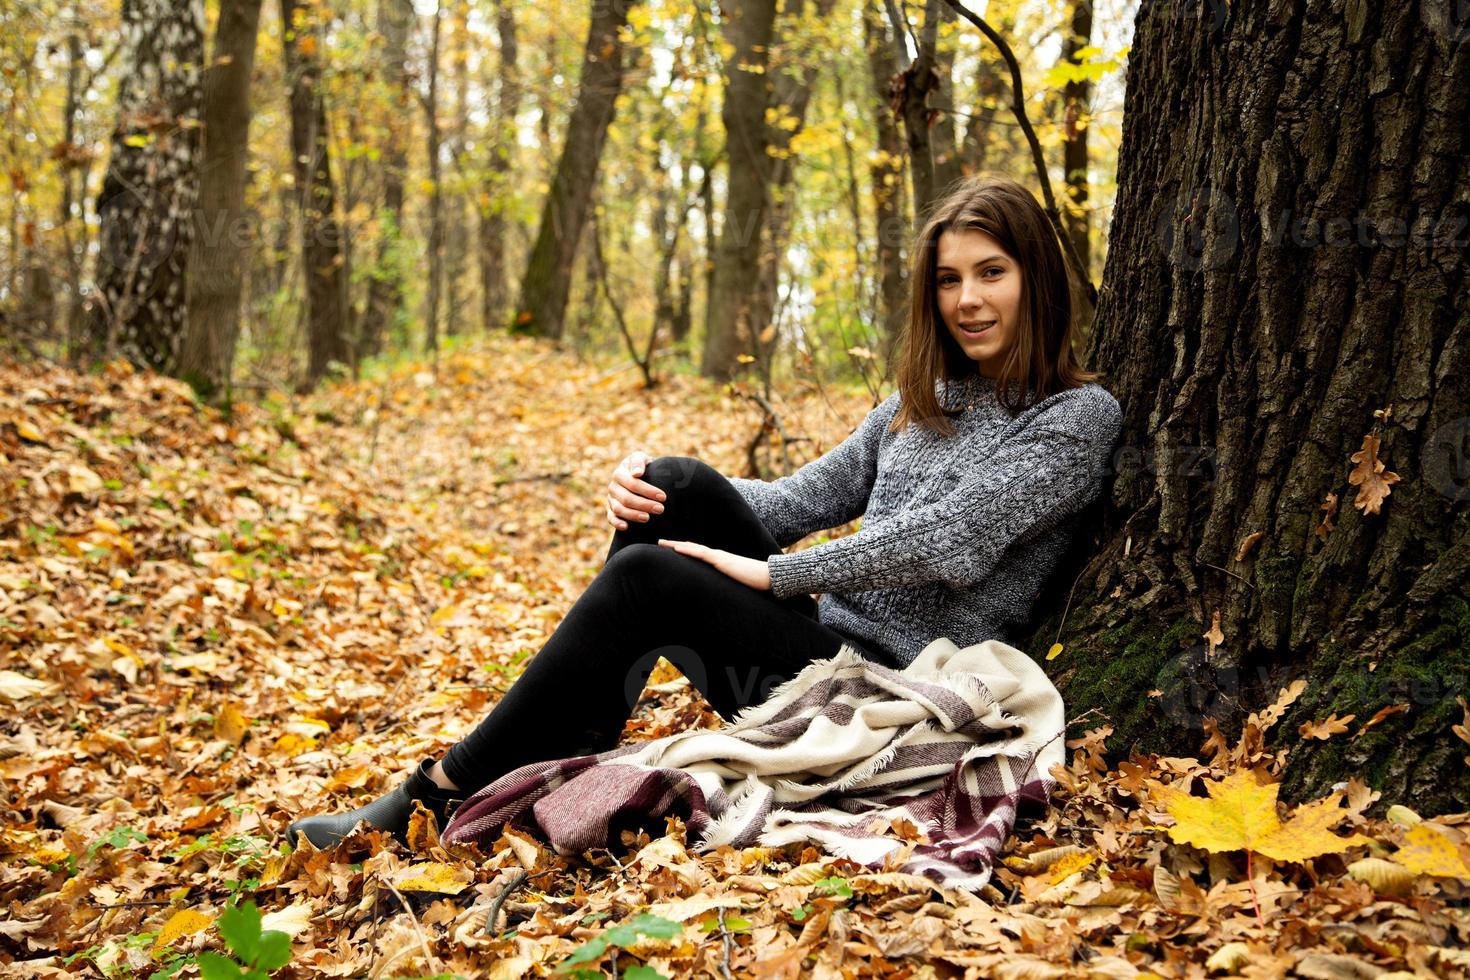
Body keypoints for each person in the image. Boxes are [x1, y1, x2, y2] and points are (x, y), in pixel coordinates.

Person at [285, 174, 1123, 849]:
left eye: (991, 273)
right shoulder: (917, 403)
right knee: (676, 482)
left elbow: (956, 542)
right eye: (948, 279)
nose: (967, 300)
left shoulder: (1076, 418)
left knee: (650, 577)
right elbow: (793, 501)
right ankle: (566, 735)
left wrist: (773, 572)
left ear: (1035, 279)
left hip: (880, 694)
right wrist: (638, 480)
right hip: (806, 657)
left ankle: (441, 791)